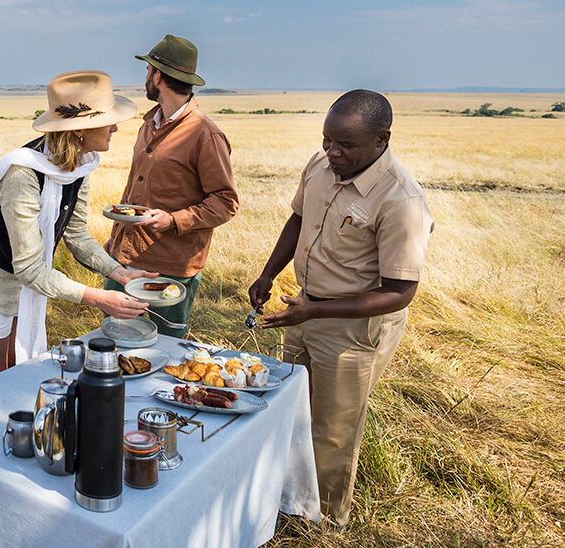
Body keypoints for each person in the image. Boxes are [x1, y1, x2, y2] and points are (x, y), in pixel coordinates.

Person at [247, 89, 434, 529]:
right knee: (289, 411)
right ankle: (285, 502)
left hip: (353, 328)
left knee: (332, 431)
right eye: (327, 140)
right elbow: (297, 219)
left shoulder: (400, 199)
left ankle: (325, 525)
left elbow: (400, 292)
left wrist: (315, 312)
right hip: (305, 309)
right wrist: (268, 274)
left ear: (381, 140)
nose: (332, 152)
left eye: (345, 144)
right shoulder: (320, 164)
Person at [0, 71, 158, 381]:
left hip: (29, 283)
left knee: (17, 370)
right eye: (108, 120)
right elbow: (29, 268)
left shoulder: (81, 163)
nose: (115, 127)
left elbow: (75, 233)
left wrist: (121, 275)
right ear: (80, 130)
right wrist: (99, 298)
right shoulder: (23, 174)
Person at [103, 35, 239, 335]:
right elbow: (135, 191)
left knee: (165, 351)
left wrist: (173, 220)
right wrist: (115, 242)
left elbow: (226, 202)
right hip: (124, 258)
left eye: (148, 71)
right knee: (114, 341)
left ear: (159, 77)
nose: (146, 78)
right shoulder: (148, 124)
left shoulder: (205, 135)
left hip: (170, 267)